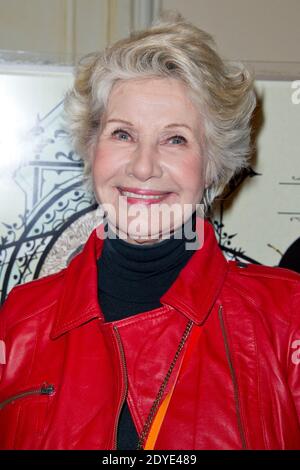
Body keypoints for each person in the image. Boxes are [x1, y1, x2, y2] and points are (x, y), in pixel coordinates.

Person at [0, 13, 300, 451]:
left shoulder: (287, 319)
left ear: (213, 164)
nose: (142, 166)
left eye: (175, 139)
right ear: (92, 147)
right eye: (122, 134)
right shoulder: (18, 322)